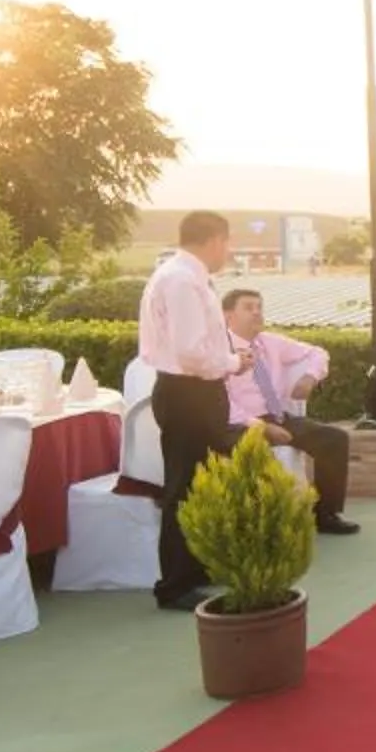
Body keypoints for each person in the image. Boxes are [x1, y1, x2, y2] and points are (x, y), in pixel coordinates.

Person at [136, 210, 244, 609]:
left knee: (201, 483)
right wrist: (233, 362)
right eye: (227, 243)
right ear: (214, 240)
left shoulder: (180, 275)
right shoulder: (182, 281)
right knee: (183, 486)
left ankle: (196, 569)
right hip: (188, 393)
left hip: (193, 391)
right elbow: (191, 351)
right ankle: (175, 585)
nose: (227, 252)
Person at [219, 289, 358, 535]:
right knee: (258, 456)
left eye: (259, 307)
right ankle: (263, 522)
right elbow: (222, 402)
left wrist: (309, 378)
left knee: (335, 439)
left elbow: (318, 353)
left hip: (278, 416)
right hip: (240, 423)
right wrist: (260, 427)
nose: (257, 312)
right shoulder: (220, 353)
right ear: (228, 315)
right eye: (249, 307)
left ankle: (325, 514)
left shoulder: (270, 342)